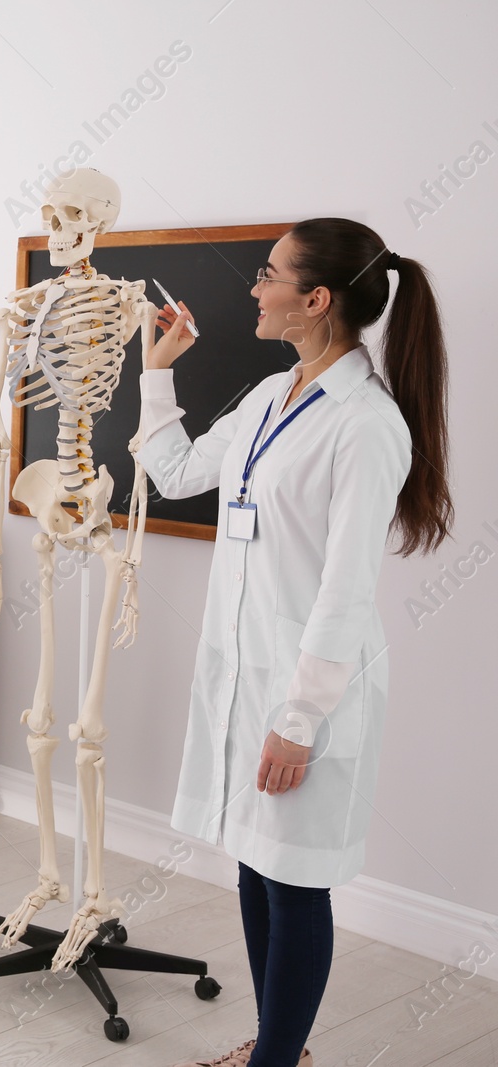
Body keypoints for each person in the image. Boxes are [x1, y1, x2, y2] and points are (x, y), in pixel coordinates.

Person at [142, 220, 451, 1067]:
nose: (253, 286)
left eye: (267, 274)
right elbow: (176, 474)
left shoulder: (366, 424)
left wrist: (300, 718)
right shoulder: (267, 395)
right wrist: (156, 375)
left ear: (315, 300)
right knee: (254, 863)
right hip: (245, 679)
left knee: (294, 880)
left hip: (308, 692)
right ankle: (280, 1050)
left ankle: (275, 1060)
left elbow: (347, 592)